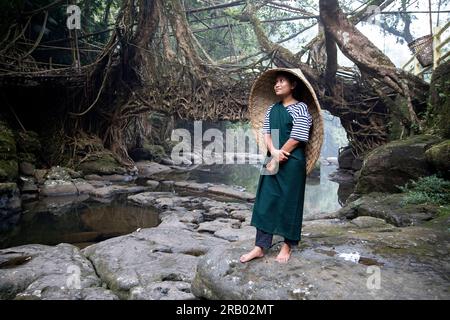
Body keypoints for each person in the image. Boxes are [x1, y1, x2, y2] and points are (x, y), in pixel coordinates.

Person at [240, 71, 312, 264]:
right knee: (265, 199)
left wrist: (281, 154)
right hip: (273, 157)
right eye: (275, 82)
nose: (277, 85)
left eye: (281, 81)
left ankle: (287, 245)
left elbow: (298, 135)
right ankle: (260, 246)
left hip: (292, 159)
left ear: (293, 85)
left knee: (290, 201)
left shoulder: (301, 108)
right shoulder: (273, 109)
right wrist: (273, 151)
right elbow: (267, 132)